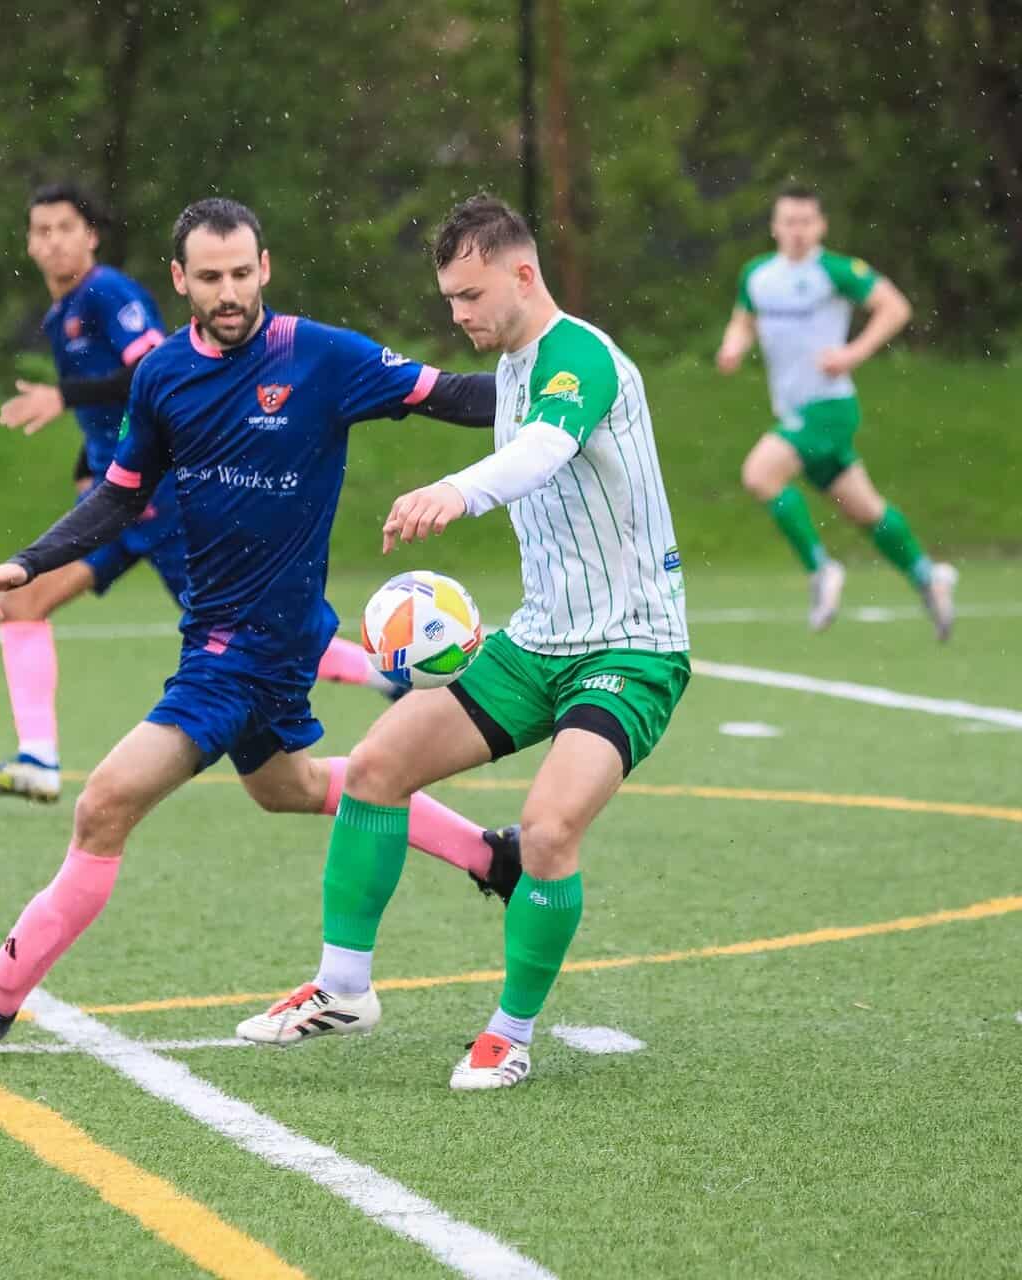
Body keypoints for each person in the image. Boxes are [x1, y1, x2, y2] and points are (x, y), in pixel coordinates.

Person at [0, 198, 517, 1045]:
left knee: (104, 805)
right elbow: (121, 495)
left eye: (240, 274)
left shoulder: (322, 356)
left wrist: (567, 384)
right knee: (289, 788)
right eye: (209, 278)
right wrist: (29, 562)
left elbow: (455, 394)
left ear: (264, 268)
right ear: (180, 280)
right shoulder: (161, 377)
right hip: (218, 634)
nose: (228, 294)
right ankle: (493, 856)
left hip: (251, 651)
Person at [234, 195, 691, 1092]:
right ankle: (342, 989)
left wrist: (457, 491)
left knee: (548, 830)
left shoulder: (579, 357)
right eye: (449, 298)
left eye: (471, 295)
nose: (459, 315)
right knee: (376, 766)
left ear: (524, 274)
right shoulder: (513, 368)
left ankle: (509, 1034)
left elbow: (544, 451)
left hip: (629, 650)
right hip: (538, 640)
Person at [0, 184, 397, 807]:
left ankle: (392, 673)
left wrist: (66, 398)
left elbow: (150, 370)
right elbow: (132, 414)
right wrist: (90, 463)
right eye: (41, 230)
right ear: (28, 243)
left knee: (253, 630)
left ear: (92, 236)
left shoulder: (106, 294)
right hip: (123, 503)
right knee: (25, 602)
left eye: (65, 227)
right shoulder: (62, 313)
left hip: (170, 503)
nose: (53, 241)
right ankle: (38, 759)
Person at [715, 184, 955, 638]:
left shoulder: (836, 271)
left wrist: (853, 354)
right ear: (775, 226)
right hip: (795, 411)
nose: (798, 231)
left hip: (828, 408)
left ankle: (821, 570)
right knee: (865, 511)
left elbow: (895, 307)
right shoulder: (758, 275)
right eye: (789, 221)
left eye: (806, 221)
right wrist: (733, 347)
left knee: (760, 475)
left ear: (821, 225)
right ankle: (928, 576)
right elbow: (743, 321)